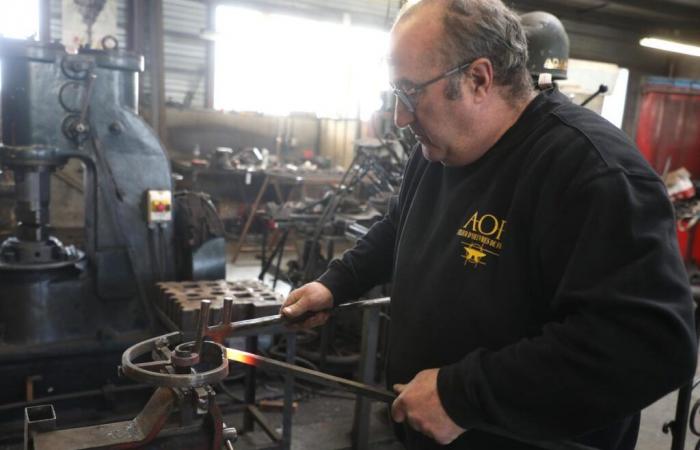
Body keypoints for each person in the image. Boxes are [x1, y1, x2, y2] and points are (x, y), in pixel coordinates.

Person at [280, 0, 697, 448]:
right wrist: (339, 282)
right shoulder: (439, 150)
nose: (401, 118)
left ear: (478, 79)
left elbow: (648, 346)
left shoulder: (593, 173)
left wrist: (464, 396)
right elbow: (401, 223)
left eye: (410, 93)